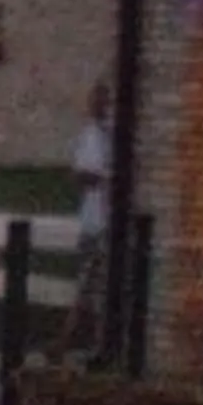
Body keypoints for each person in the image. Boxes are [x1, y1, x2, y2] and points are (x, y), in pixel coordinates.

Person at [61, 80, 112, 361]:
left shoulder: (115, 133)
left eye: (100, 100)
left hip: (108, 222)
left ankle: (90, 338)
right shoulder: (91, 134)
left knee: (101, 282)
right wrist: (102, 177)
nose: (95, 105)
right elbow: (80, 174)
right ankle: (78, 336)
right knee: (86, 281)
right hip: (93, 220)